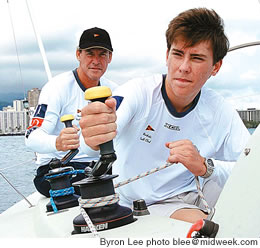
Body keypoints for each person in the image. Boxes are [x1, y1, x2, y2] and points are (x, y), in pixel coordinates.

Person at [79, 8, 250, 223]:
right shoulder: (138, 93)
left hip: (198, 191)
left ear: (215, 67)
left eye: (196, 58)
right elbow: (91, 144)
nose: (184, 67)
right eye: (178, 54)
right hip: (145, 204)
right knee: (202, 226)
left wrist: (205, 166)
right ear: (167, 56)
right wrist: (95, 134)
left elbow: (251, 168)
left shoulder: (220, 110)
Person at [25, 27, 117, 197]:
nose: (96, 60)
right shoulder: (56, 88)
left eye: (102, 54)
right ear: (78, 54)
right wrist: (58, 143)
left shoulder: (115, 91)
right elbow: (31, 138)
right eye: (90, 53)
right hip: (61, 167)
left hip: (99, 165)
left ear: (110, 57)